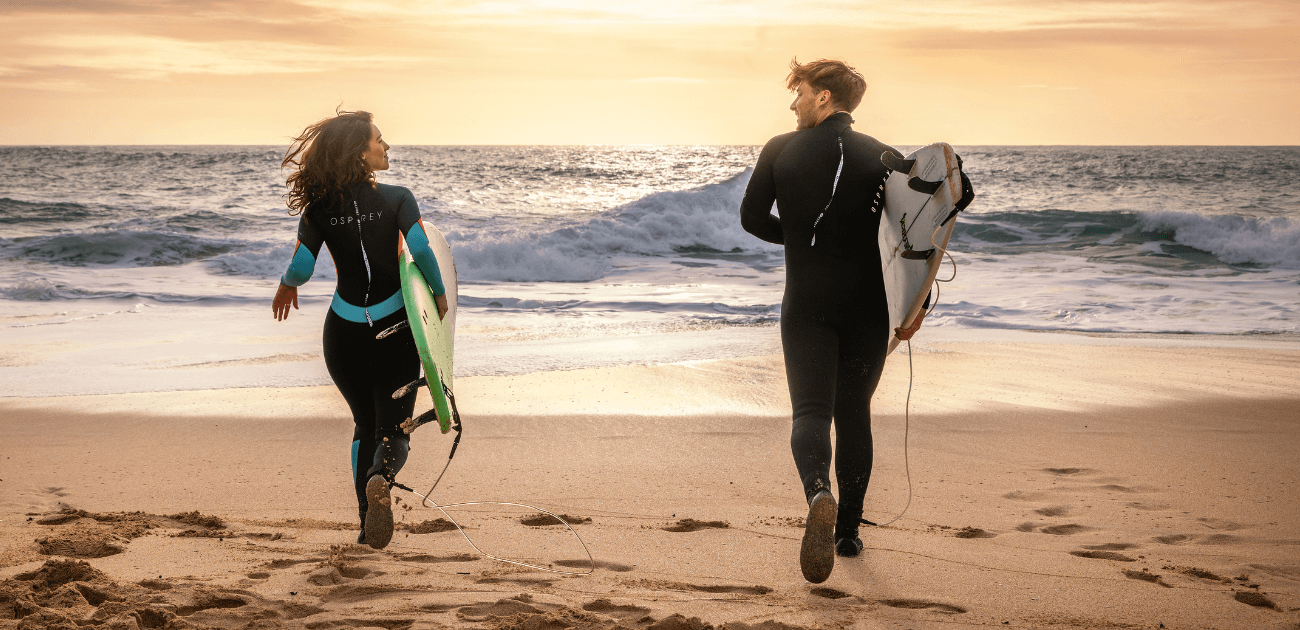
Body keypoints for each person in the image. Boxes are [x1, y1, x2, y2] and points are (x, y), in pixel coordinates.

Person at [739, 59, 930, 584]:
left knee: (810, 411)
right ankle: (847, 531)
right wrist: (916, 308)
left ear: (822, 97)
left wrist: (801, 242)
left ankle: (817, 493)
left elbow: (751, 218)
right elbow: (921, 239)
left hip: (806, 304)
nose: (793, 103)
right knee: (854, 413)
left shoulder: (779, 148)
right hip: (868, 308)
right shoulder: (885, 156)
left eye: (798, 92)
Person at [271, 110, 448, 550]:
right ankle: (380, 478)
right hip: (396, 331)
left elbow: (301, 267)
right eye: (379, 140)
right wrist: (440, 294)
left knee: (362, 423)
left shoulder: (317, 210)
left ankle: (366, 523)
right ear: (360, 152)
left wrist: (285, 286)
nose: (386, 147)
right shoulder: (398, 197)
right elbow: (422, 250)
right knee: (394, 429)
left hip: (343, 335)